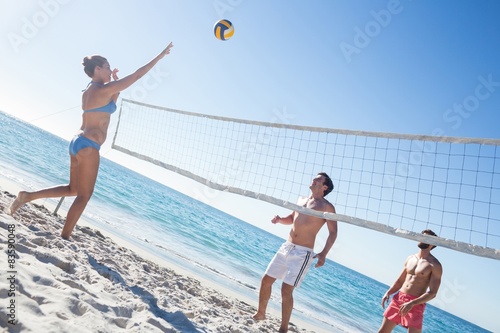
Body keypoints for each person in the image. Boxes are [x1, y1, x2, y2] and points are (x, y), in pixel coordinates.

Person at [9, 42, 174, 239]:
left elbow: (110, 102)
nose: (110, 69)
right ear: (97, 69)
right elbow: (138, 75)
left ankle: (27, 196)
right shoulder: (101, 90)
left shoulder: (90, 91)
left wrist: (115, 83)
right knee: (84, 195)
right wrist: (160, 55)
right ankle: (65, 236)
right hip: (89, 146)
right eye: (107, 67)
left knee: (73, 189)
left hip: (78, 142)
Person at [253, 172, 338, 333]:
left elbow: (333, 232)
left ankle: (283, 328)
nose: (314, 179)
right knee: (266, 280)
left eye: (318, 179)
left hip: (302, 253)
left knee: (286, 289)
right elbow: (292, 218)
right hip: (287, 246)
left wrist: (323, 253)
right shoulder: (301, 199)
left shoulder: (327, 207)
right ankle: (261, 313)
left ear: (324, 187)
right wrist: (280, 220)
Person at [378, 229, 443, 333]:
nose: (421, 238)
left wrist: (412, 303)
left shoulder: (435, 265)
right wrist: (389, 292)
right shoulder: (410, 258)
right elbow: (400, 280)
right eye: (421, 236)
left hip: (416, 303)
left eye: (425, 237)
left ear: (432, 244)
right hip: (399, 299)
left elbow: (433, 293)